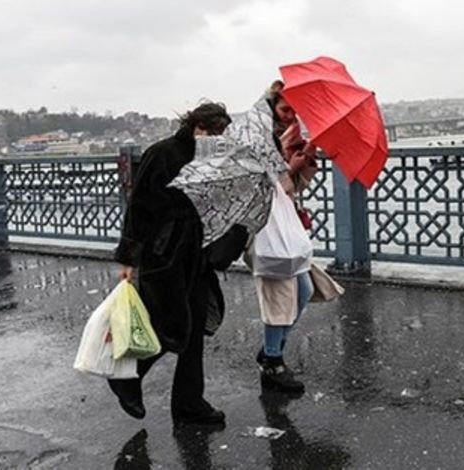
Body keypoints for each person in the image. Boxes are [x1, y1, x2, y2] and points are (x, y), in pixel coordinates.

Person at [109, 102, 232, 427]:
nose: (216, 140)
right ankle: (127, 378)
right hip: (163, 258)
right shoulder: (162, 154)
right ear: (197, 127)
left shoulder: (211, 162)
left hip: (196, 256)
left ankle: (189, 406)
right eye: (213, 132)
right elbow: (138, 208)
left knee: (192, 337)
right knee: (174, 327)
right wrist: (128, 258)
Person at [235, 81, 318, 394]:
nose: (289, 115)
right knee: (279, 299)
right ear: (271, 107)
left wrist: (303, 161)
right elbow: (258, 191)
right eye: (285, 108)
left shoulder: (284, 137)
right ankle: (273, 361)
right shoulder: (255, 141)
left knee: (304, 291)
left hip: (285, 229)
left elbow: (291, 189)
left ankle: (271, 351)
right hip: (266, 231)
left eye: (294, 110)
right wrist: (290, 167)